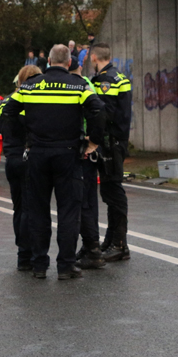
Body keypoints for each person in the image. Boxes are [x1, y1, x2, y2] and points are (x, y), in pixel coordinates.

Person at [0, 44, 104, 280]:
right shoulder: (79, 85)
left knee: (38, 210)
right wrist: (93, 141)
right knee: (69, 211)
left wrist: (27, 135)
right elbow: (98, 110)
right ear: (69, 62)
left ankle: (39, 265)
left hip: (37, 154)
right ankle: (66, 266)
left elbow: (8, 111)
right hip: (68, 154)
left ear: (48, 60)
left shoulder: (30, 85)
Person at [89, 44, 133, 262]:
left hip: (110, 142)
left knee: (113, 190)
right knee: (108, 190)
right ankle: (110, 240)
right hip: (118, 140)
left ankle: (119, 244)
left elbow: (104, 114)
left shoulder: (104, 81)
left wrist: (94, 139)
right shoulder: (120, 77)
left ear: (94, 57)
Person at [0, 65, 42, 271]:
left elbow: (1, 128)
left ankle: (21, 254)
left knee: (18, 208)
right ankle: (31, 254)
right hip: (30, 158)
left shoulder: (6, 102)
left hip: (11, 159)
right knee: (32, 208)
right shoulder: (33, 100)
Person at [69, 55, 106, 270]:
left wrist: (92, 141)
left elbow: (97, 111)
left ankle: (92, 249)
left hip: (82, 150)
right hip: (87, 150)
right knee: (89, 200)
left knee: (83, 202)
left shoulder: (81, 86)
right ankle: (90, 245)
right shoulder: (87, 84)